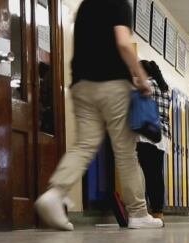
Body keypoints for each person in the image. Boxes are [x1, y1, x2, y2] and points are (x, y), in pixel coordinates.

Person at [34, 0, 162, 230]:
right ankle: (138, 213)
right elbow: (123, 43)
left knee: (84, 144)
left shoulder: (86, 6)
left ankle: (55, 193)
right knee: (125, 152)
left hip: (82, 84)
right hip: (113, 85)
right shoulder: (120, 5)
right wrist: (142, 78)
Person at [136, 60, 170, 220]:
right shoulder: (164, 88)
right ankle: (158, 210)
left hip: (147, 135)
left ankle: (154, 211)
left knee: (149, 174)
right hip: (162, 136)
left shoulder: (146, 85)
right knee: (157, 174)